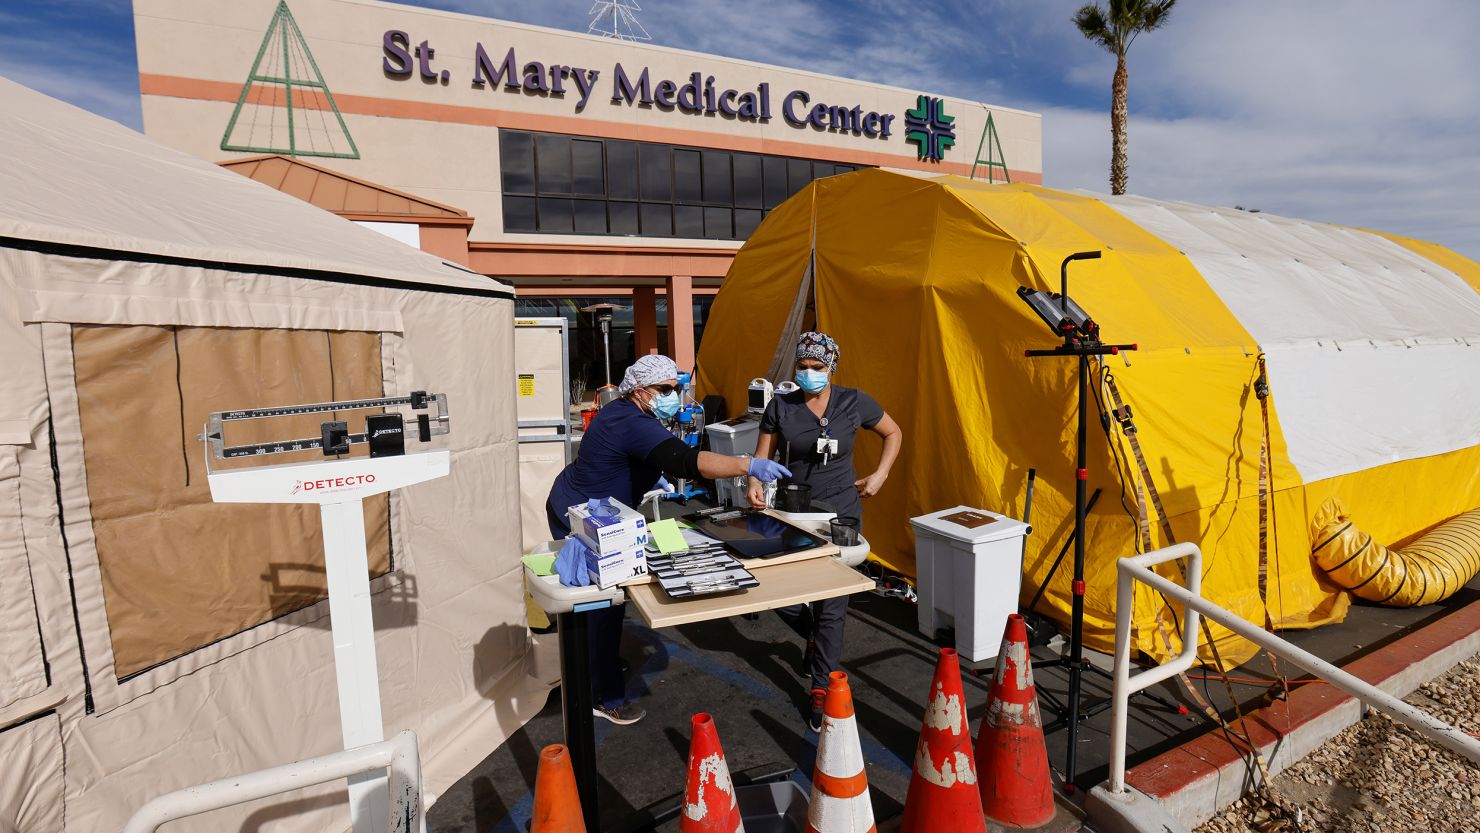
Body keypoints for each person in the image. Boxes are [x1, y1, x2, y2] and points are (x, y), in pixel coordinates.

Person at [547, 354, 791, 725]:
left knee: (608, 604)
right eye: (664, 390)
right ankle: (601, 694)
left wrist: (647, 478)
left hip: (587, 502)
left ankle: (599, 666)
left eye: (676, 388)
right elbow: (686, 461)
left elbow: (637, 456)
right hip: (583, 519)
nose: (673, 396)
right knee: (601, 605)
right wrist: (748, 464)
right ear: (640, 391)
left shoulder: (625, 414)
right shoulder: (631, 421)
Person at [747, 331, 902, 732]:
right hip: (794, 512)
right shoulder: (780, 407)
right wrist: (753, 485)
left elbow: (893, 432)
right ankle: (813, 638)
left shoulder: (855, 402)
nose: (809, 374)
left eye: (817, 367)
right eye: (803, 367)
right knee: (781, 592)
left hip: (842, 512)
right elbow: (761, 460)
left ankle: (820, 686)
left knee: (833, 602)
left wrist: (880, 474)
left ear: (831, 367)